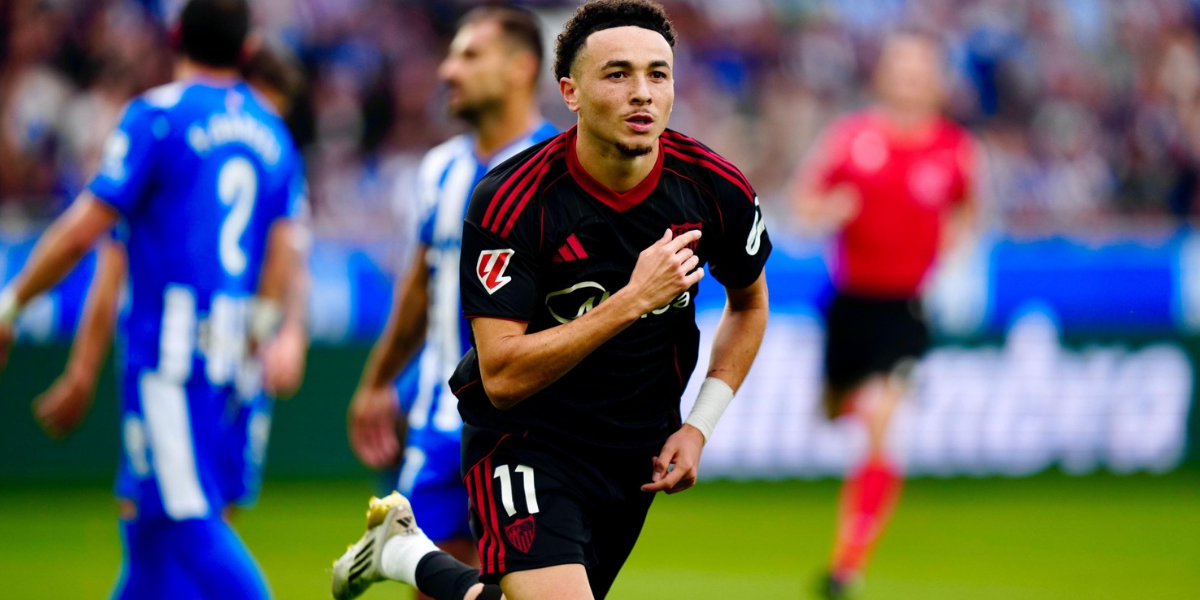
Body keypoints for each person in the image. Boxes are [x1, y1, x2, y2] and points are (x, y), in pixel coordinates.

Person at [330, 2, 771, 600]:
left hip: (633, 453)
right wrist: (632, 299)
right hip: (526, 438)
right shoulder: (510, 200)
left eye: (657, 74)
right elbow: (503, 375)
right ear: (571, 91)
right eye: (617, 74)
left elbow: (748, 303)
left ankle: (407, 555)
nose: (642, 93)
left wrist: (699, 426)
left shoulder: (715, 188)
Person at [0, 1, 305, 598]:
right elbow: (284, 248)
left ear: (173, 36)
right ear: (246, 52)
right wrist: (266, 326)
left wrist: (12, 302)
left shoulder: (157, 116)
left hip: (168, 356)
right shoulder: (272, 132)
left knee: (191, 522)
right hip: (228, 353)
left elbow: (88, 227)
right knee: (148, 533)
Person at [346, 7, 557, 598]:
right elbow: (419, 288)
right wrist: (377, 381)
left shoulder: (560, 171)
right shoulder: (437, 170)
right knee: (430, 583)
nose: (447, 70)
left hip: (529, 432)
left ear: (520, 68)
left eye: (469, 55)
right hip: (441, 424)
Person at [791, 30, 977, 599]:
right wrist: (830, 211)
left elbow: (966, 209)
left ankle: (846, 564)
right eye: (901, 68)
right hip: (850, 306)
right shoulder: (851, 139)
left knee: (880, 423)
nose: (910, 80)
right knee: (834, 412)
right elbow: (803, 207)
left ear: (936, 81)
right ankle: (843, 397)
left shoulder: (954, 149)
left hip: (905, 310)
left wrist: (951, 249)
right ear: (884, 77)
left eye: (921, 70)